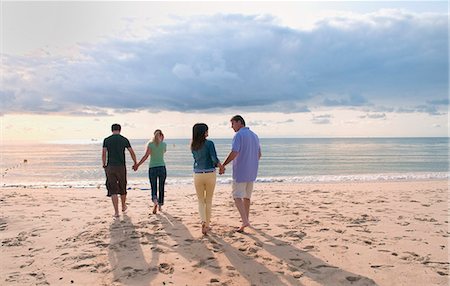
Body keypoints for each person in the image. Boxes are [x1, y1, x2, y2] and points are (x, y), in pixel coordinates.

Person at [220, 115, 261, 232]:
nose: (231, 127)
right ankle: (246, 221)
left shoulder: (238, 135)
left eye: (232, 124)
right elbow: (259, 155)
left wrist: (224, 164)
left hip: (241, 172)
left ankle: (245, 221)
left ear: (239, 122)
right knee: (247, 197)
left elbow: (234, 152)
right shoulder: (254, 135)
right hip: (252, 171)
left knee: (237, 196)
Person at [191, 123, 223, 235]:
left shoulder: (193, 145)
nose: (207, 132)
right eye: (206, 130)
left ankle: (203, 221)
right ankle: (207, 225)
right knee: (208, 200)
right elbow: (214, 158)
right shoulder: (209, 143)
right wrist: (221, 166)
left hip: (198, 174)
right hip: (209, 173)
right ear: (203, 132)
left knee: (200, 200)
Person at [102, 123, 137, 219]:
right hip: (121, 167)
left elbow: (104, 153)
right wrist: (135, 163)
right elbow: (131, 152)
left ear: (112, 130)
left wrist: (104, 164)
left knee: (113, 189)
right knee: (122, 186)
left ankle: (116, 212)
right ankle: (123, 206)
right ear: (120, 130)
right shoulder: (124, 139)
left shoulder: (107, 140)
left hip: (111, 167)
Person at [134, 129, 167, 214]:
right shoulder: (164, 144)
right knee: (161, 187)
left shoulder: (150, 144)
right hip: (162, 167)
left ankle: (155, 201)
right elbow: (163, 151)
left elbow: (146, 156)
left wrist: (138, 165)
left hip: (152, 168)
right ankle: (160, 205)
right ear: (161, 135)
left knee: (153, 186)